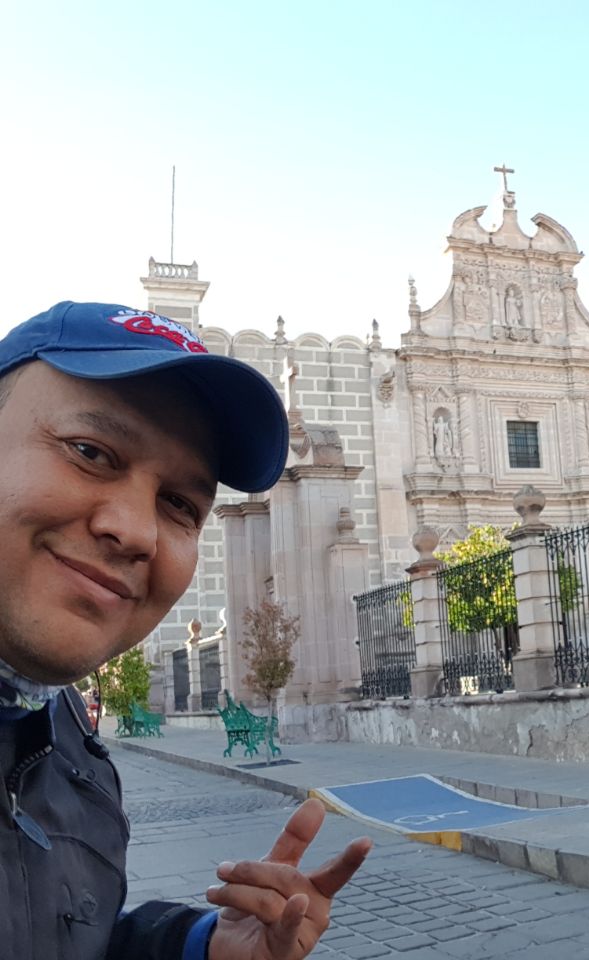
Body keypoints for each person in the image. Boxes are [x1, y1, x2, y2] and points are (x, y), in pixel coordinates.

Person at [0, 301, 372, 959]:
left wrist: (199, 947)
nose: (137, 531)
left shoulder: (71, 755)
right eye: (90, 452)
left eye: (179, 504)